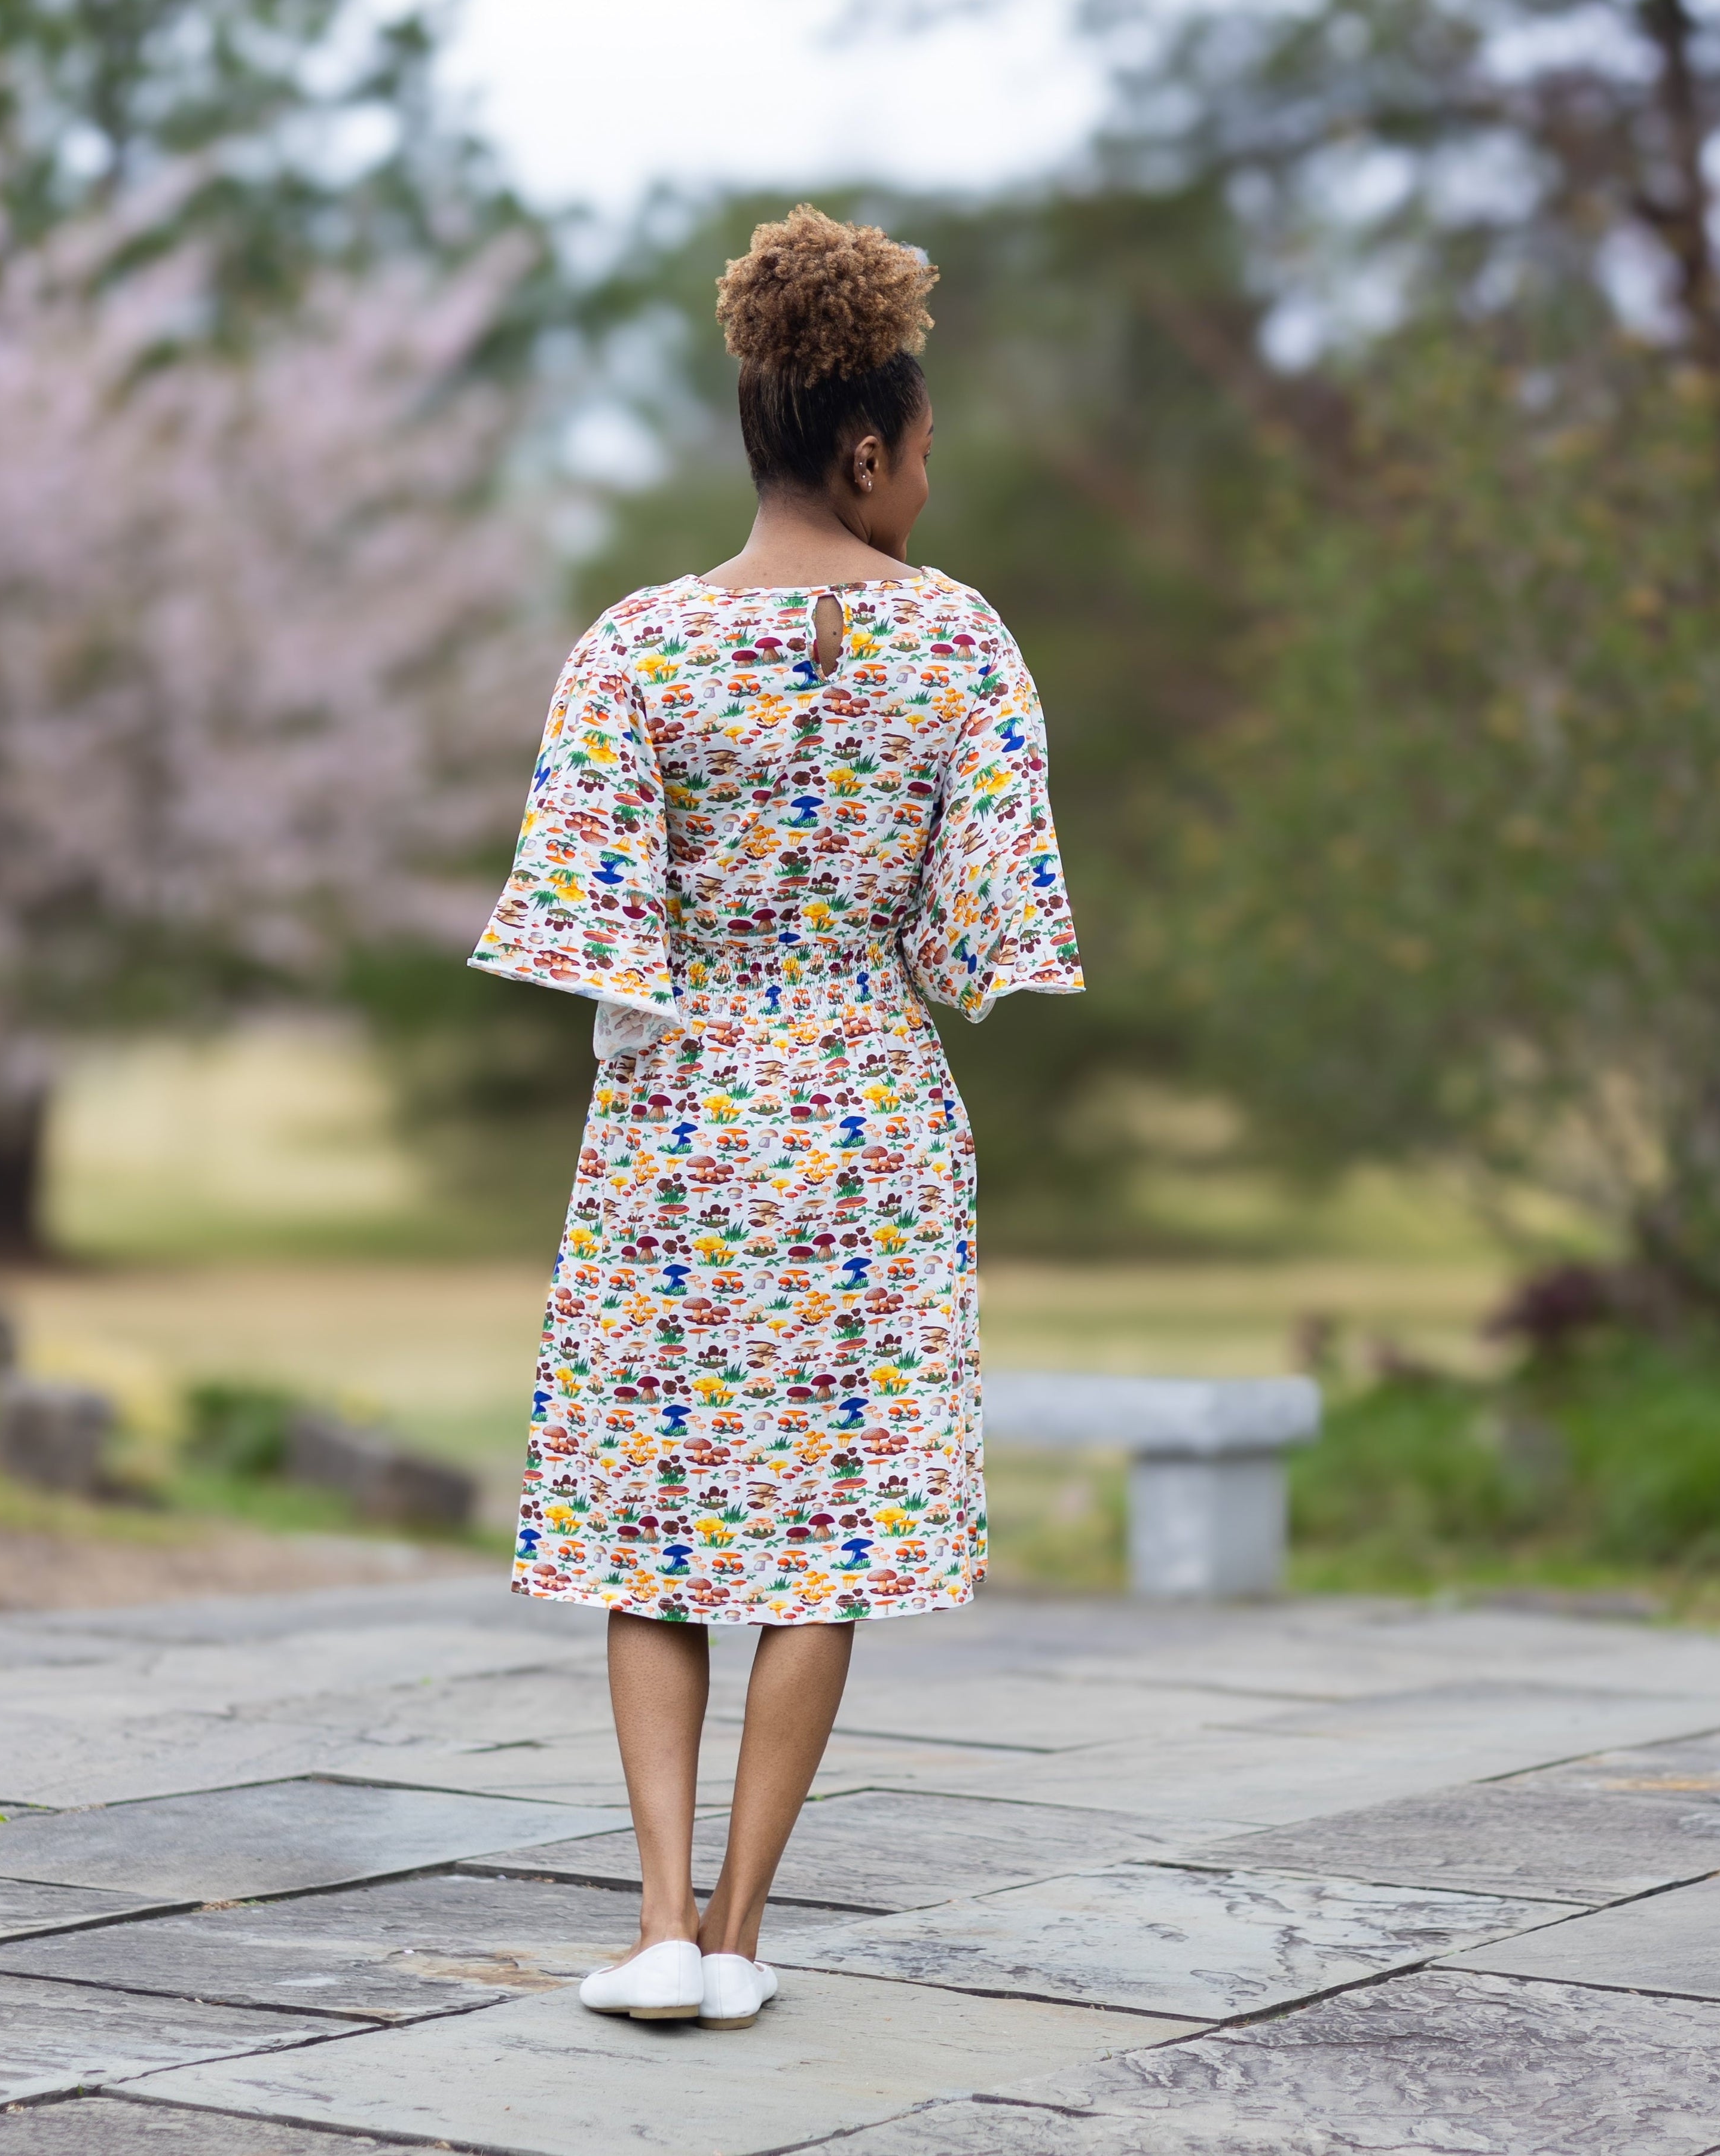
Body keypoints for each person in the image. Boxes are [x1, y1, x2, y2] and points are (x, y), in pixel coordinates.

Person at [469, 203, 1082, 2031]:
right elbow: (985, 931)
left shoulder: (636, 647)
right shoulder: (963, 645)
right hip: (872, 1111)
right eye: (924, 457)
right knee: (823, 1526)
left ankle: (652, 1922)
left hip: (680, 1113)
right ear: (870, 445)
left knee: (653, 1516)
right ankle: (742, 1939)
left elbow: (588, 914)